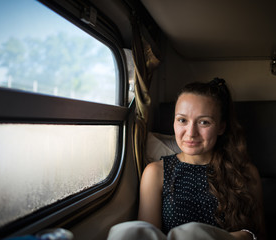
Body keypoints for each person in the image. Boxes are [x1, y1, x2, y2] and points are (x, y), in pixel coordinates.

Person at [108, 78, 266, 240]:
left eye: (204, 122)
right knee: (128, 232)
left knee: (191, 234)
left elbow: (260, 233)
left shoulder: (245, 172)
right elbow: (147, 234)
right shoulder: (155, 173)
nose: (191, 133)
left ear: (221, 127)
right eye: (182, 120)